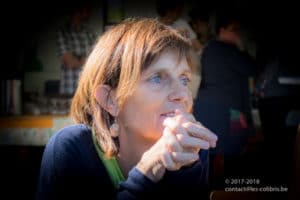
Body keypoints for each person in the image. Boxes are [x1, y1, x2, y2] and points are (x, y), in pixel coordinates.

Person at [36, 18, 218, 199]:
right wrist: (146, 174)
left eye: (184, 79)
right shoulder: (71, 149)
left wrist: (185, 171)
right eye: (157, 78)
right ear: (111, 101)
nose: (183, 94)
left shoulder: (192, 149)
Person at [192, 8, 257, 189]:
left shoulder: (211, 49)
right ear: (222, 30)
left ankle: (218, 191)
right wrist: (241, 46)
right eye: (234, 29)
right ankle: (228, 192)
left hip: (214, 110)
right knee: (231, 158)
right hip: (226, 112)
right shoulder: (227, 49)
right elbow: (253, 68)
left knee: (209, 157)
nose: (238, 33)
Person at [57, 2, 95, 96]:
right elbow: (70, 62)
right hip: (68, 90)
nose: (86, 14)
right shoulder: (63, 32)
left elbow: (96, 62)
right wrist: (85, 59)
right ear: (75, 12)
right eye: (83, 11)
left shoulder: (90, 34)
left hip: (87, 91)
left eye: (87, 11)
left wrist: (76, 58)